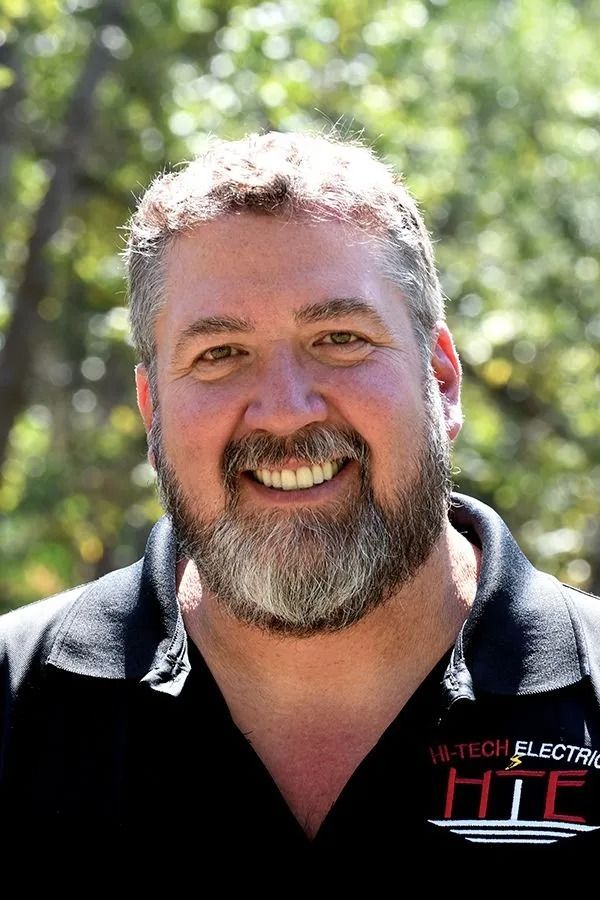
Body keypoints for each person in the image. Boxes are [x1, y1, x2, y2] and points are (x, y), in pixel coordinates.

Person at [1, 131, 599, 869]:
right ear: (153, 413)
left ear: (441, 381)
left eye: (339, 338)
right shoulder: (12, 700)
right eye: (220, 354)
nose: (285, 411)